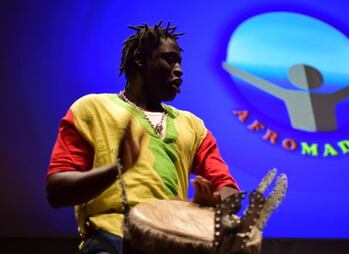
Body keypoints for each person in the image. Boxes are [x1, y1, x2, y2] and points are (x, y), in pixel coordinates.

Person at [46, 22, 239, 254]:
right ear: (140, 59)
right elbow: (56, 192)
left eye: (179, 62)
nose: (179, 70)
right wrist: (114, 170)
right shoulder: (91, 109)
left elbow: (231, 192)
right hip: (111, 240)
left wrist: (216, 202)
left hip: (172, 242)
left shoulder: (193, 126)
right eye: (170, 59)